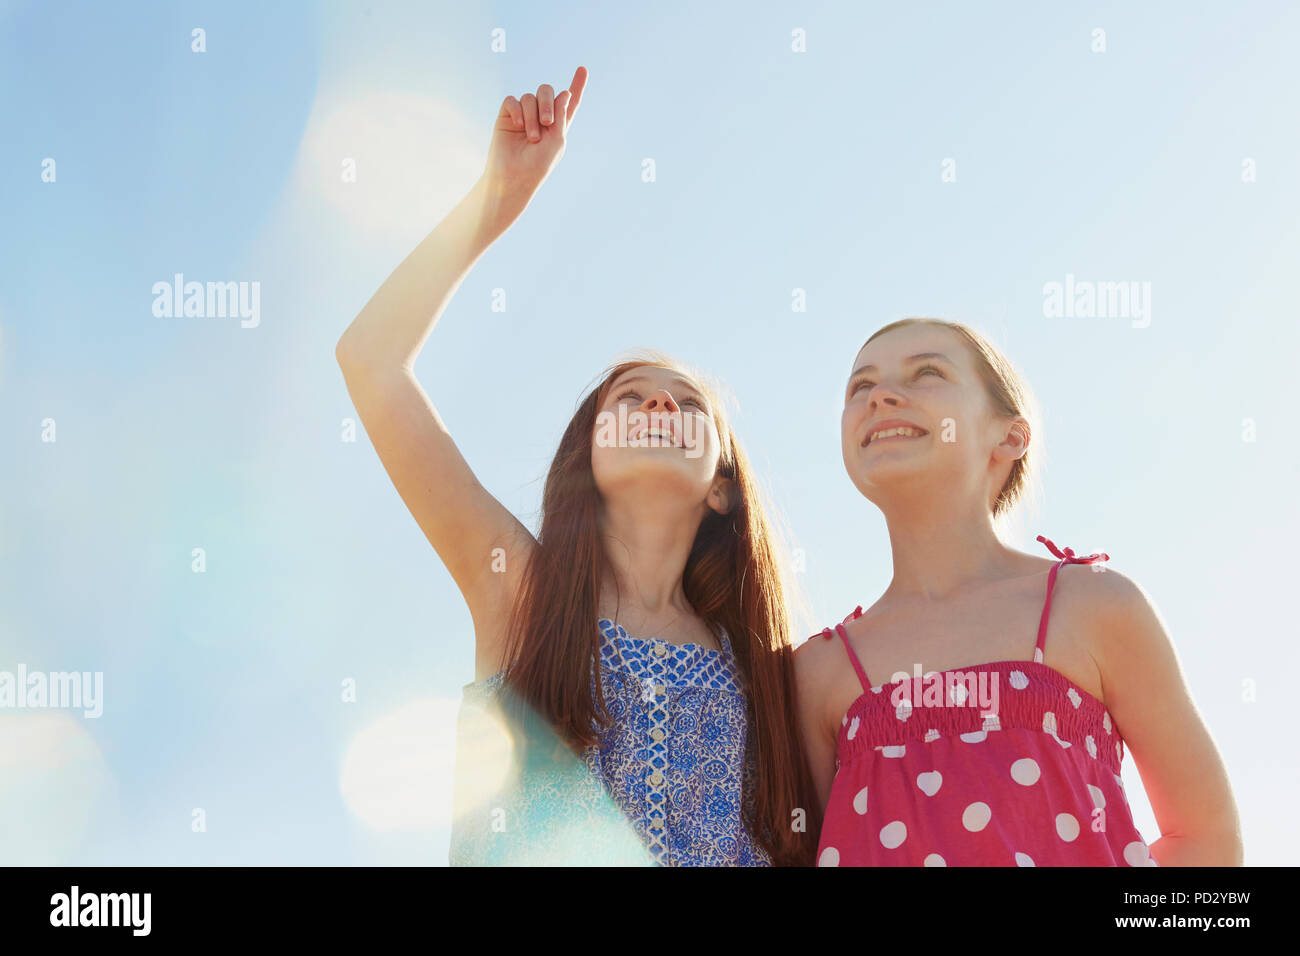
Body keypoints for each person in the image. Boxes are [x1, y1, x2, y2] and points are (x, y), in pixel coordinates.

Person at [335, 67, 815, 866]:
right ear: (586, 457)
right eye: (631, 398)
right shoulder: (520, 592)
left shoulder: (766, 670)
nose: (660, 407)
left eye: (687, 405)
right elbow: (371, 362)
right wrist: (497, 198)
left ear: (725, 487)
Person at [795, 317, 1242, 866]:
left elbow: (1205, 841)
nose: (881, 395)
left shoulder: (1094, 605)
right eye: (860, 386)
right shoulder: (818, 671)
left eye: (927, 373)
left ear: (1010, 435)